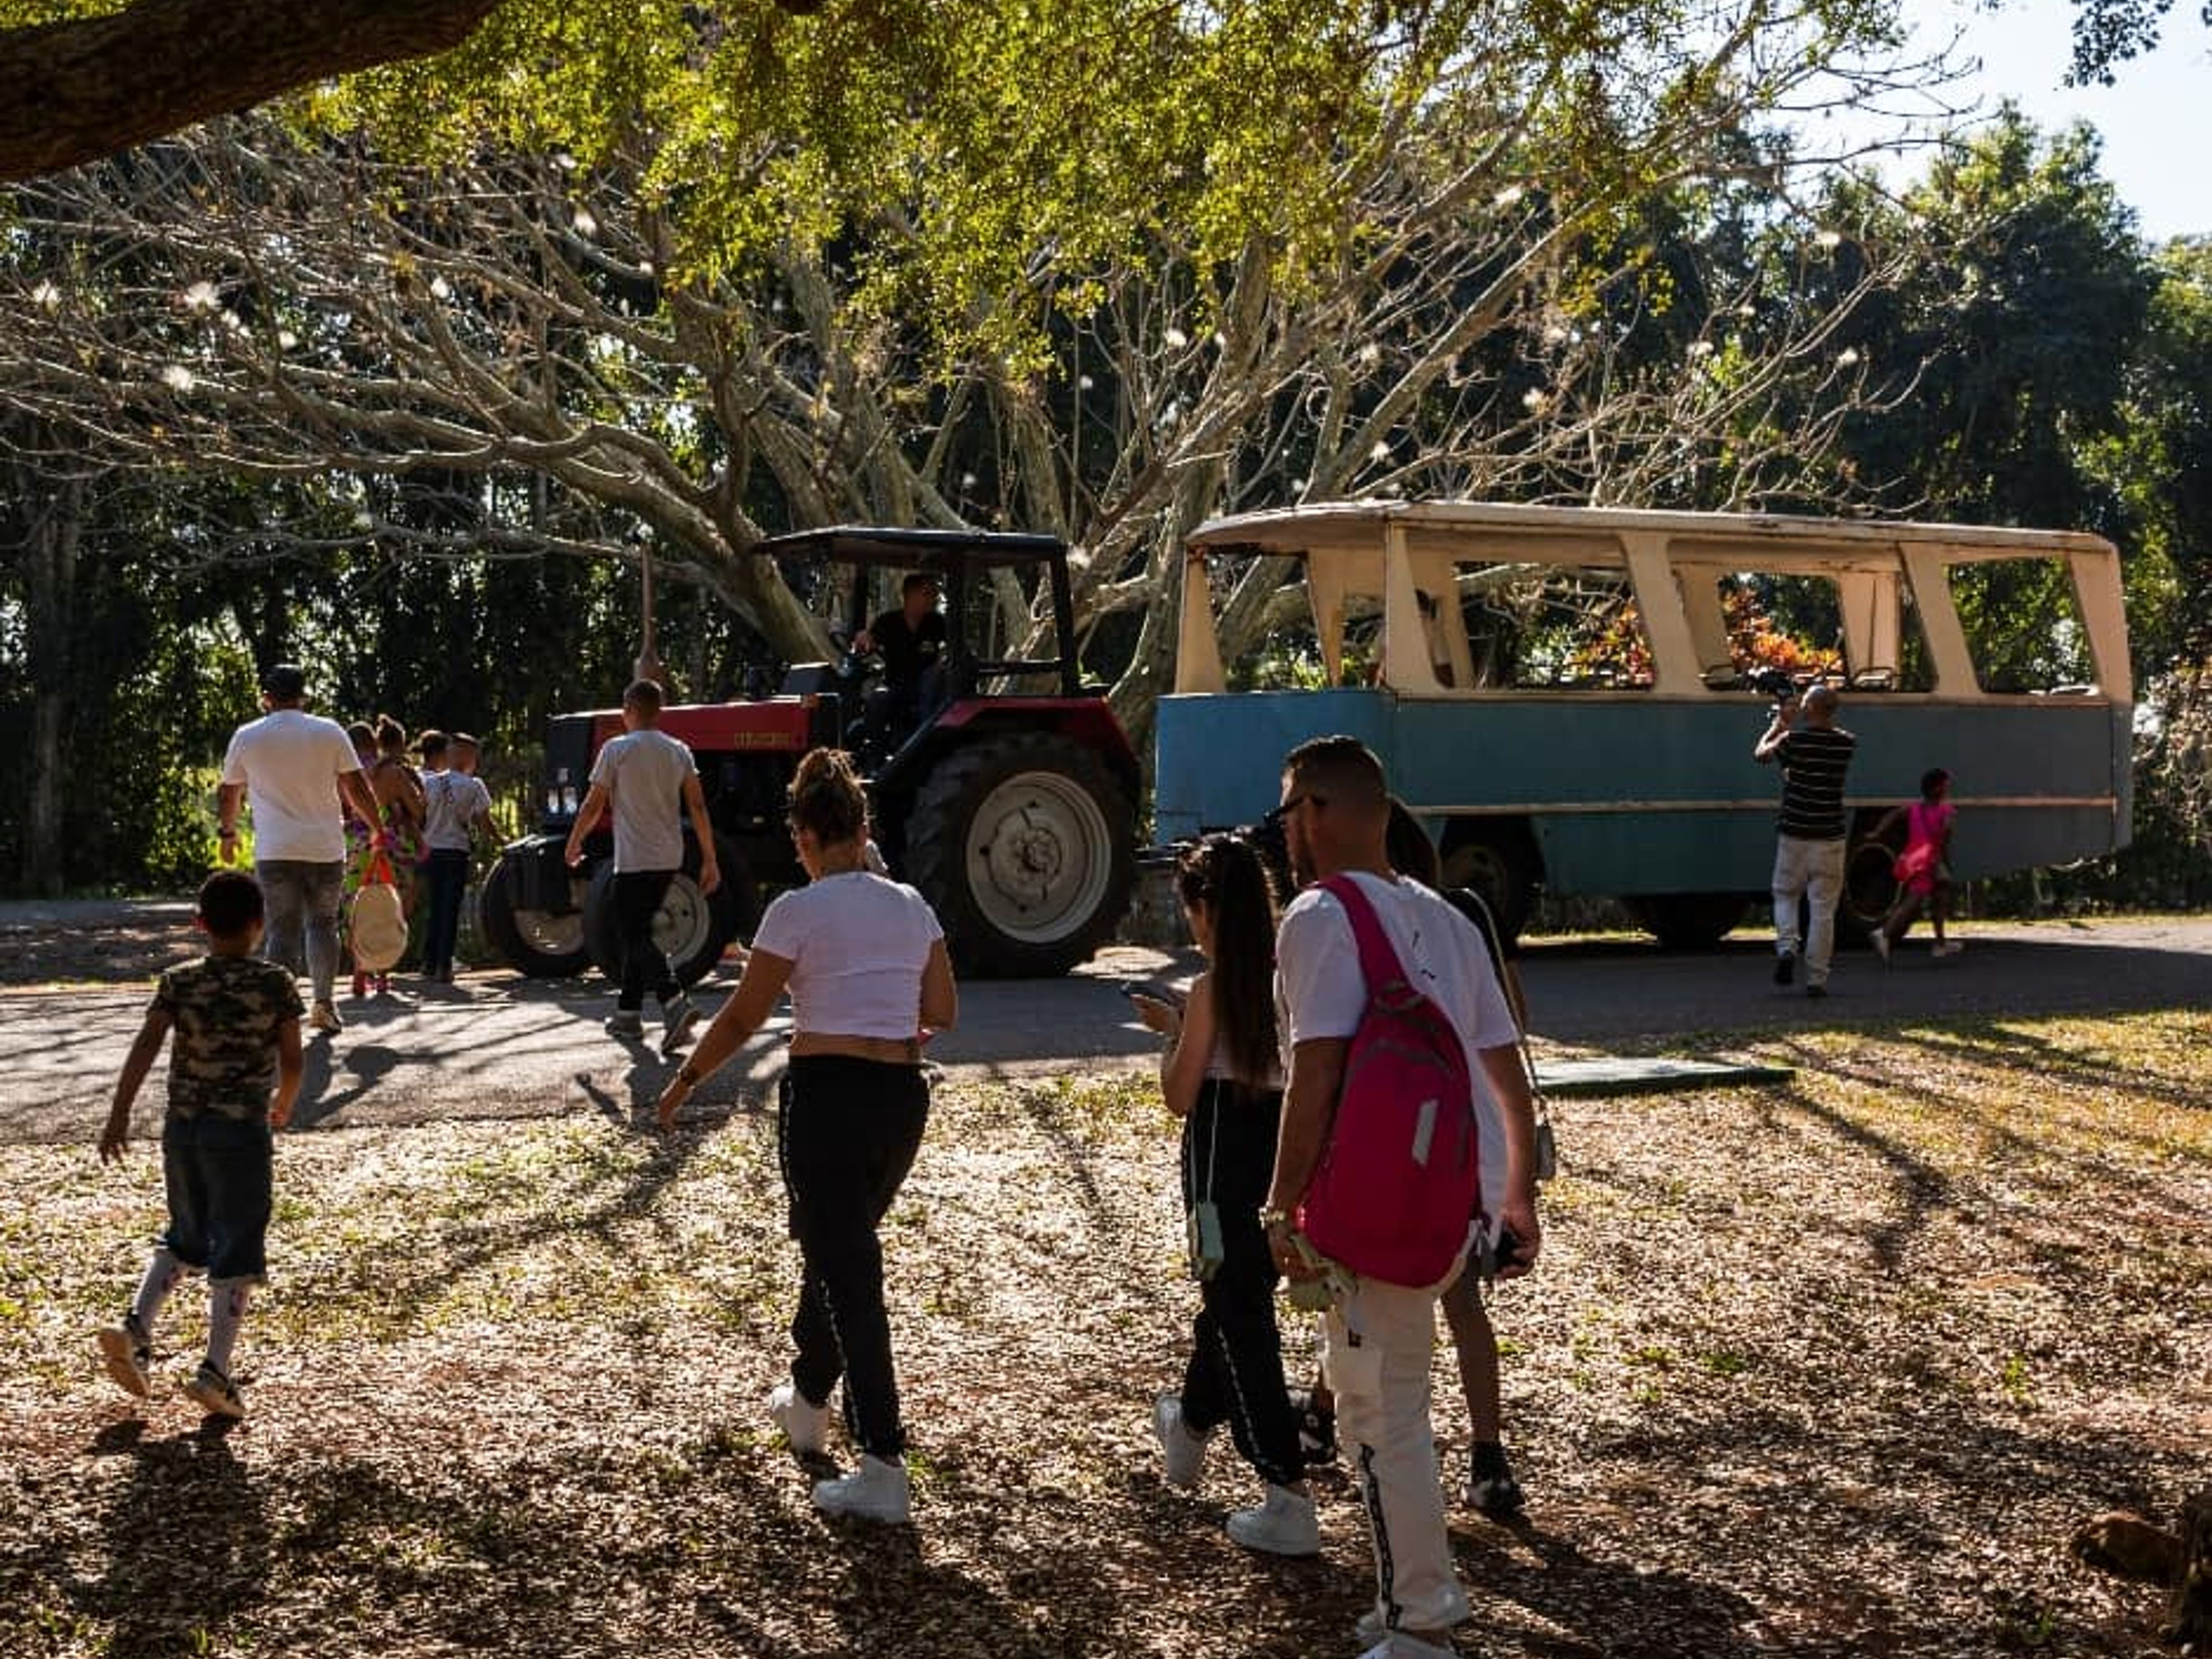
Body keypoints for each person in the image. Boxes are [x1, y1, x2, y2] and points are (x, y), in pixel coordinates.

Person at [1262, 736, 1543, 1659]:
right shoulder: (1449, 919)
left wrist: (1280, 1206)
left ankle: (1422, 1620)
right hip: (1445, 1195)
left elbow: (1318, 1072)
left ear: (1319, 812)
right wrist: (1514, 1200)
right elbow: (1504, 1066)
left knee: (1381, 1413)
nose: (1288, 831)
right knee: (1387, 1397)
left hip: (1370, 1203)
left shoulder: (1318, 916)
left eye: (1292, 809)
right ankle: (1408, 1599)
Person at [656, 748, 957, 1526]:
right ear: (864, 828)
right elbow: (944, 1009)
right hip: (900, 1098)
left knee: (848, 1270)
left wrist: (687, 1080)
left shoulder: (795, 910)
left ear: (803, 837)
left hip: (827, 1096)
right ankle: (810, 1397)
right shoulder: (911, 904)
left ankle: (884, 1462)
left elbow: (745, 1016)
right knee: (839, 1250)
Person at [1131, 836, 1316, 1556]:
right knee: (1239, 1296)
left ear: (1205, 907)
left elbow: (1180, 1095)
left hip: (1217, 1150)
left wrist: (1172, 1037)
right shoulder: (1286, 977)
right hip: (1278, 1142)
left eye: (1189, 909)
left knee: (1240, 1312)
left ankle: (1284, 1487)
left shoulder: (1213, 987)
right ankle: (1190, 1421)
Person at [95, 870, 303, 1420]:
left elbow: (146, 1044)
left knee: (187, 1234)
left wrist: (119, 1115)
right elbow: (294, 1059)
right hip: (239, 1132)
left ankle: (135, 1326)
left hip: (182, 1130)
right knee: (236, 1245)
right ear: (259, 925)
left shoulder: (179, 981)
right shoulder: (276, 983)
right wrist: (284, 1101)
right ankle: (215, 1371)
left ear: (200, 925)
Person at [218, 662, 384, 1035]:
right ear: (304, 697)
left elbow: (229, 791)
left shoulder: (248, 736)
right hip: (325, 849)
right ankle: (323, 1005)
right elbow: (357, 788)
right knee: (323, 925)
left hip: (275, 850)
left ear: (266, 699)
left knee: (281, 930)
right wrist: (378, 829)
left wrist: (228, 834)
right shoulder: (329, 731)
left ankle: (279, 1013)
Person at [564, 678, 719, 1052]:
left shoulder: (616, 748)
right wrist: (711, 858)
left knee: (632, 934)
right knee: (640, 933)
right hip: (670, 857)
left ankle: (674, 1002)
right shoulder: (678, 750)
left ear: (628, 711)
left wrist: (574, 842)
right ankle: (628, 1017)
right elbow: (697, 806)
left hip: (634, 859)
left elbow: (593, 804)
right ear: (660, 711)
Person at [1753, 681, 1857, 998]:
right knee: (1823, 909)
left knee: (1785, 895)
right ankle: (1817, 979)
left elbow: (1761, 756)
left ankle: (1787, 948)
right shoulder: (1846, 744)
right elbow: (1799, 769)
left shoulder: (1793, 740)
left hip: (1795, 833)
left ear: (1809, 709)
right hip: (1831, 837)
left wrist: (1777, 727)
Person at [416, 729, 495, 984]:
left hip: (431, 851)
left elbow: (420, 817)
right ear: (470, 757)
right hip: (456, 852)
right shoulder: (475, 786)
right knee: (450, 910)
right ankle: (444, 966)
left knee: (435, 907)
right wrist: (497, 845)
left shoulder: (429, 783)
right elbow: (485, 825)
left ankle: (428, 963)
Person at [1872, 768, 1961, 961]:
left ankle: (1940, 943)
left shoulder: (1914, 809)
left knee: (1940, 897)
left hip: (1914, 858)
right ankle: (1884, 933)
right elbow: (1945, 839)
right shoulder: (1947, 811)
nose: (1948, 788)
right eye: (1945, 785)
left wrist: (1877, 833)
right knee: (1913, 901)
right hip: (1931, 861)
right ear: (1938, 788)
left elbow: (1893, 816)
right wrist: (1946, 862)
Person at [851, 570, 948, 738]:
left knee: (931, 681)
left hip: (928, 688)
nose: (934, 599)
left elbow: (954, 646)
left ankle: (925, 738)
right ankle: (876, 753)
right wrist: (863, 640)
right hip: (895, 685)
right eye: (928, 594)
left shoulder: (937, 622)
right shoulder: (888, 622)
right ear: (910, 595)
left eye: (934, 594)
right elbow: (868, 642)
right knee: (878, 701)